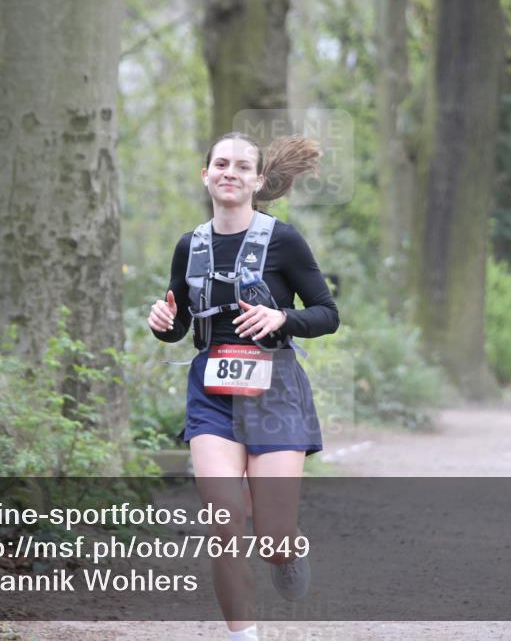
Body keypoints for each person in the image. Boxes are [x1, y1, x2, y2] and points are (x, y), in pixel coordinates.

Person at [147, 132, 339, 641]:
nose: (229, 172)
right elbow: (180, 325)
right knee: (224, 523)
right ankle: (243, 636)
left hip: (275, 388)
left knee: (272, 536)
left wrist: (281, 317)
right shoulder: (190, 245)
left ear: (258, 180)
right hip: (211, 390)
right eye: (220, 163)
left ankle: (287, 546)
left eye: (241, 166)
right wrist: (163, 322)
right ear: (205, 174)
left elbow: (327, 314)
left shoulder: (284, 240)